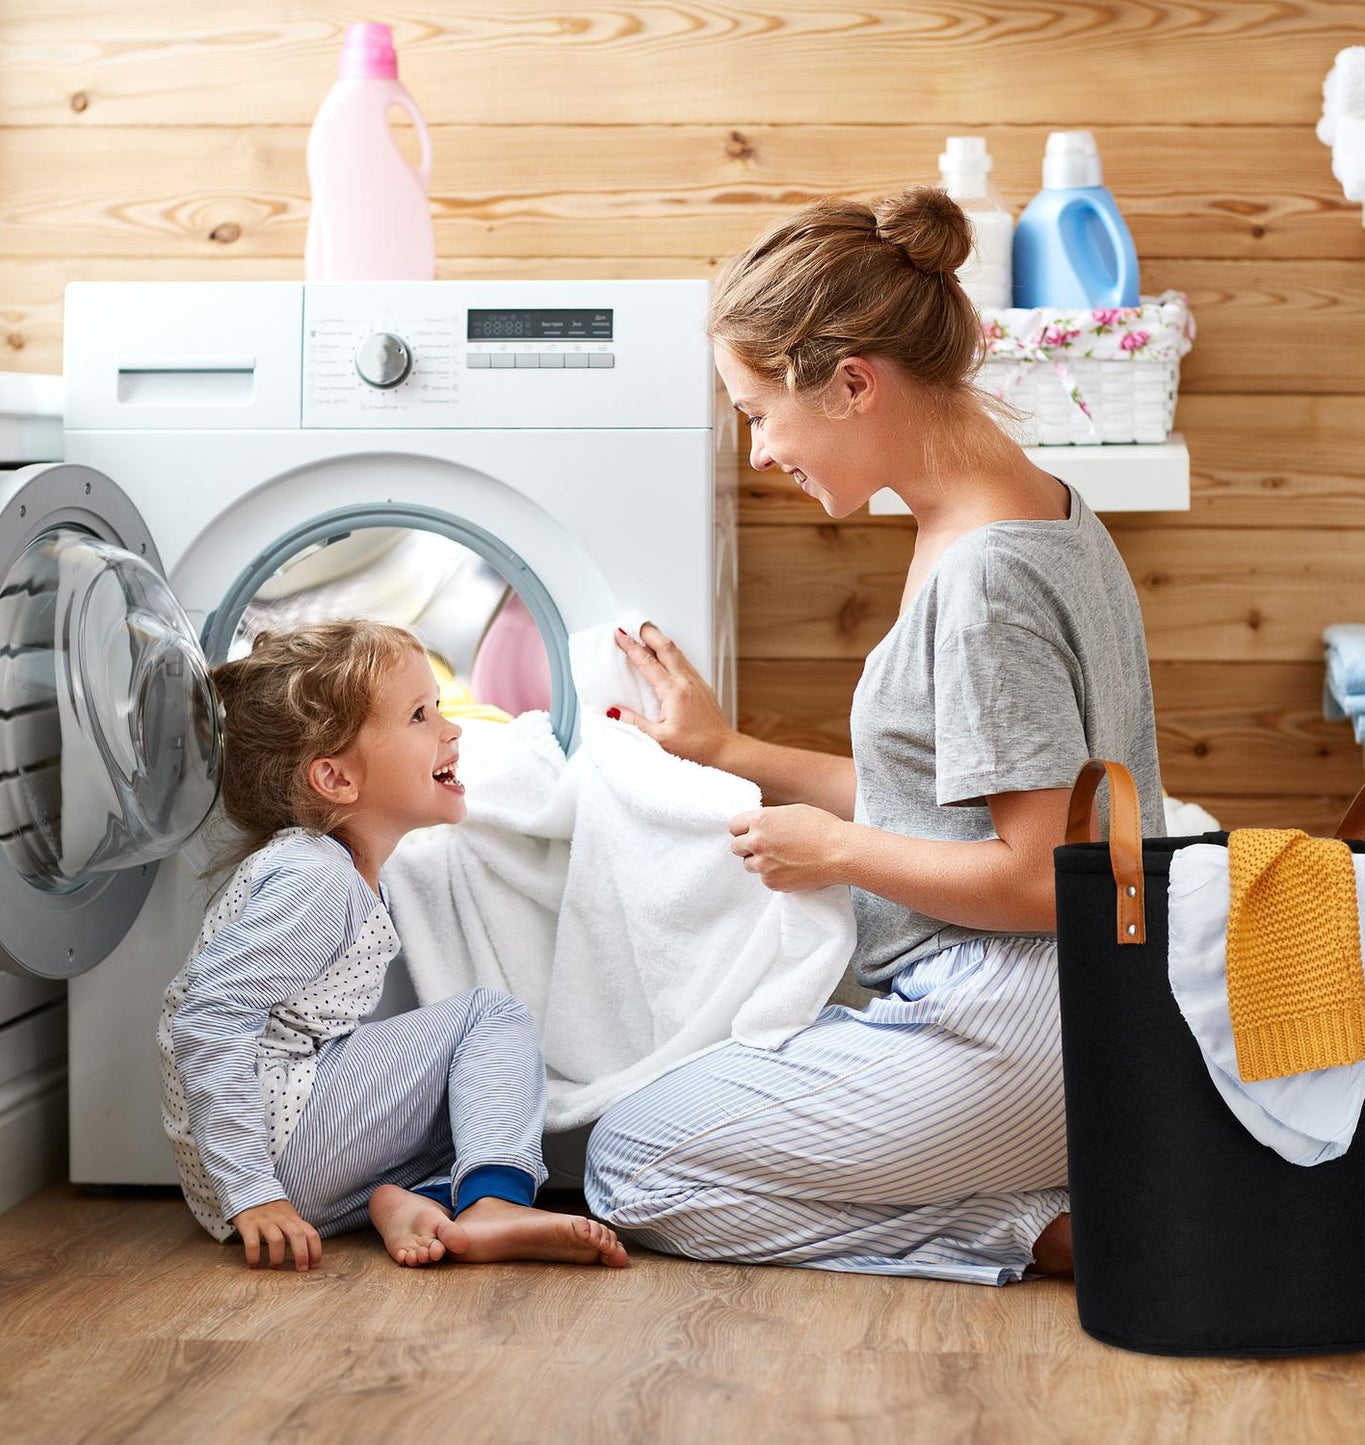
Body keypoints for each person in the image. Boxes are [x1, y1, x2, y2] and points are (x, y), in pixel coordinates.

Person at [584, 187, 1164, 1284]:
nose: (757, 452)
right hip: (1071, 1003)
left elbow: (1045, 875)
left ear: (852, 384)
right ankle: (1056, 1200)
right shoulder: (1024, 508)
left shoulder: (984, 576)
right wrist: (727, 749)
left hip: (1019, 1017)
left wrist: (833, 851)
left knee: (628, 1163)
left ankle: (1047, 1229)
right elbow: (947, 792)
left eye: (757, 411)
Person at [158, 620, 628, 1272]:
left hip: (282, 1151)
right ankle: (492, 1203)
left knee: (474, 1098)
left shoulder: (333, 870)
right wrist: (251, 1190)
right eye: (417, 715)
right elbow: (208, 1018)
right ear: (337, 779)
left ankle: (403, 1201)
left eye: (437, 706)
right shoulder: (315, 877)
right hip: (271, 1152)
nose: (450, 728)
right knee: (488, 1019)